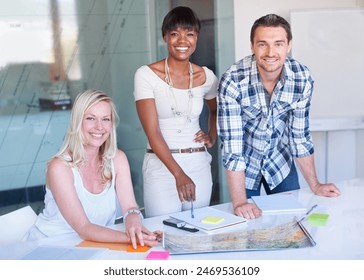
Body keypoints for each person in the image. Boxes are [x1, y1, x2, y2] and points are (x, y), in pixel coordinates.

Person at [217, 14, 341, 220]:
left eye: (278, 44)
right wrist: (240, 202)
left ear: (289, 45)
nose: (270, 52)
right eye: (262, 44)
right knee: (246, 226)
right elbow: (232, 147)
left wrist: (316, 185)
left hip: (280, 160)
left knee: (294, 223)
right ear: (252, 46)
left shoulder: (301, 78)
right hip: (245, 165)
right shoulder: (232, 81)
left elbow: (299, 137)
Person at [25, 89, 161, 248]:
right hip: (50, 246)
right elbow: (84, 228)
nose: (99, 127)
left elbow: (130, 207)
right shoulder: (60, 168)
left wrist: (133, 219)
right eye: (90, 118)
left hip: (92, 246)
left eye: (105, 119)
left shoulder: (117, 159)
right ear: (77, 122)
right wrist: (135, 238)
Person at [133, 6, 218, 217]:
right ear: (165, 37)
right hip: (161, 167)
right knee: (162, 232)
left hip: (198, 163)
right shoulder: (146, 75)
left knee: (199, 231)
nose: (182, 41)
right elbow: (152, 132)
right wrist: (178, 174)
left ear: (196, 37)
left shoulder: (206, 77)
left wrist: (212, 136)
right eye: (175, 34)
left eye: (189, 34)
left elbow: (216, 110)